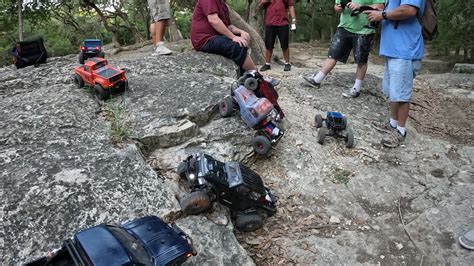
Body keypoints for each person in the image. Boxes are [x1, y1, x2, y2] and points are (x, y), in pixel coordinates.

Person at [365, 0, 425, 147]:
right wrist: (377, 10)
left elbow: (409, 10)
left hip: (405, 50)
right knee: (393, 92)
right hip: (394, 49)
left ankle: (401, 130)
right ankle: (393, 123)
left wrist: (382, 15)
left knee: (402, 94)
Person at [303, 0, 384, 98]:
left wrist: (360, 7)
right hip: (344, 27)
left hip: (364, 30)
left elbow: (380, 7)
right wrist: (338, 8)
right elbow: (336, 6)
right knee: (333, 54)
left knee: (361, 60)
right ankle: (317, 80)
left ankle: (356, 88)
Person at [190, 0, 256, 73]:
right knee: (237, 46)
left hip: (216, 37)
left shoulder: (223, 5)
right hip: (205, 40)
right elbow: (213, 20)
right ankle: (257, 78)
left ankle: (246, 76)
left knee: (242, 39)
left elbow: (228, 27)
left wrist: (241, 32)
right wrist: (233, 37)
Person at [258, 0, 297, 72]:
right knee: (268, 44)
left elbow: (291, 5)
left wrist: (294, 20)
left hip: (283, 22)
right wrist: (263, 2)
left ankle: (287, 63)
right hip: (270, 22)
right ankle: (267, 64)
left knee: (284, 44)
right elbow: (259, 7)